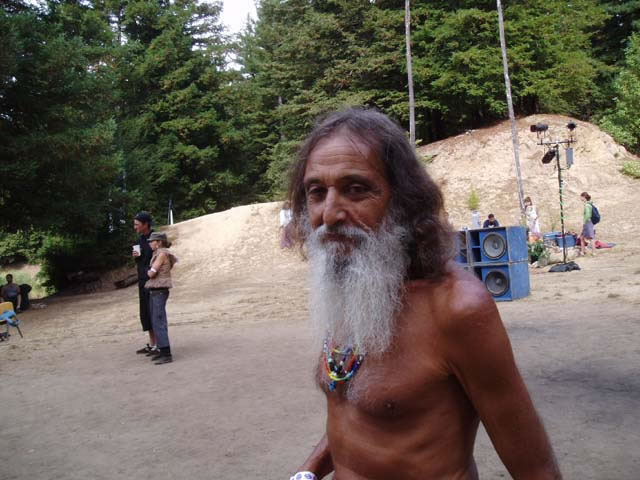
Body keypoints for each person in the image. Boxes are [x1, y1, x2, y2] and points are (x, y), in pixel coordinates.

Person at [287, 108, 561, 480]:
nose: (330, 213)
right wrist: (307, 473)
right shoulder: (352, 288)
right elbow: (354, 411)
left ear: (403, 199)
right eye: (317, 192)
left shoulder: (457, 308)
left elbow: (536, 469)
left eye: (356, 189)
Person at [145, 232, 177, 365]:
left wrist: (148, 271)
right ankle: (162, 350)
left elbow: (151, 273)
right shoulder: (160, 254)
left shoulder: (162, 254)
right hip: (157, 291)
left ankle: (166, 353)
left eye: (152, 241)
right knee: (156, 321)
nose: (150, 243)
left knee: (158, 321)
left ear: (159, 242)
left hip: (159, 291)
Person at [133, 211, 155, 355]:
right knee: (145, 312)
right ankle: (152, 344)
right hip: (142, 279)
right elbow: (140, 260)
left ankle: (158, 344)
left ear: (146, 224)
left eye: (137, 224)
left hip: (153, 280)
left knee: (154, 312)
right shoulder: (139, 239)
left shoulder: (155, 238)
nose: (135, 227)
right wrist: (136, 256)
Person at [578, 192, 595, 256]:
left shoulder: (587, 205)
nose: (580, 198)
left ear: (584, 197)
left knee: (590, 238)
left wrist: (584, 222)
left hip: (587, 223)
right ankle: (583, 251)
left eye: (581, 197)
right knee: (582, 237)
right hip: (589, 222)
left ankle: (593, 252)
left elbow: (587, 215)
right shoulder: (589, 204)